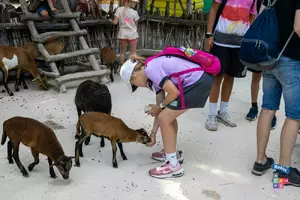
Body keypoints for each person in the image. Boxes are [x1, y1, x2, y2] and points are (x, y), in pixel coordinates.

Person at [119, 54, 213, 178]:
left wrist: (158, 108)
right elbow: (160, 107)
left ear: (134, 76)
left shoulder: (150, 70)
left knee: (165, 117)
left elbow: (173, 94)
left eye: (134, 84)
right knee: (167, 115)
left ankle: (173, 165)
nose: (138, 86)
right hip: (199, 81)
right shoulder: (153, 77)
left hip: (197, 82)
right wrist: (153, 134)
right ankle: (171, 154)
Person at [252, 0, 300, 187]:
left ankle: (260, 160)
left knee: (267, 108)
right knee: (294, 116)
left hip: (270, 57)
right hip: (292, 60)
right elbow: (298, 27)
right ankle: (284, 171)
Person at [204, 0, 257, 131]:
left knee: (230, 77)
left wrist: (249, 38)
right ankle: (211, 115)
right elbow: (213, 9)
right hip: (221, 41)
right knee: (217, 77)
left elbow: (252, 15)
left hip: (239, 43)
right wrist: (209, 34)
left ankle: (223, 111)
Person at [245, 0, 277, 130]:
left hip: (275, 42)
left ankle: (270, 111)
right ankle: (254, 105)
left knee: (273, 80)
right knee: (256, 76)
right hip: (260, 41)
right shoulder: (260, 1)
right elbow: (254, 18)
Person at [110, 0, 140, 66]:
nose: (135, 4)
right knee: (133, 53)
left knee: (122, 52)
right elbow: (136, 25)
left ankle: (122, 66)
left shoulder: (119, 9)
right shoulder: (135, 12)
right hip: (132, 34)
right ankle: (132, 67)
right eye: (134, 3)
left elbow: (115, 22)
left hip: (123, 34)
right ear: (129, 2)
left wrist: (109, 20)